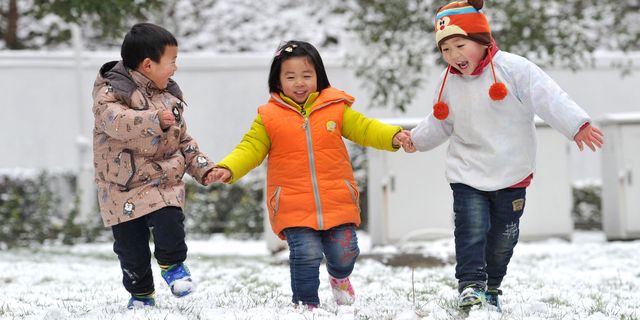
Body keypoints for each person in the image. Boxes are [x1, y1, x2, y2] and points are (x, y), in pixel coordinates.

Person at [406, 0, 604, 312]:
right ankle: (471, 285)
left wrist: (577, 124)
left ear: (481, 40)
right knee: (470, 230)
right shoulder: (448, 82)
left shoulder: (515, 69)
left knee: (502, 239)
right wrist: (416, 139)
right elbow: (440, 121)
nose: (454, 56)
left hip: (512, 172)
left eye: (460, 45)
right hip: (467, 172)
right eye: (446, 50)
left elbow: (549, 97)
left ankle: (493, 286)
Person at [206, 40, 413, 309]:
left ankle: (339, 278)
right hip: (292, 204)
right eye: (290, 76)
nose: (299, 83)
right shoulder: (269, 117)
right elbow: (250, 148)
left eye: (307, 75)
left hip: (337, 199)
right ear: (278, 80)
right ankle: (307, 305)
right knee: (306, 254)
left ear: (319, 77)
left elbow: (365, 127)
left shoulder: (335, 107)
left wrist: (393, 136)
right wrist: (228, 167)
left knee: (345, 252)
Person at [92, 22, 217, 309]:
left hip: (162, 182)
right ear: (149, 64)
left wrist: (204, 168)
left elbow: (183, 141)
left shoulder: (169, 96)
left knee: (170, 221)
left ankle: (173, 266)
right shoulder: (110, 93)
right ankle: (141, 294)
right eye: (172, 61)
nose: (175, 68)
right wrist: (152, 120)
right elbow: (115, 122)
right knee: (130, 249)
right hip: (120, 188)